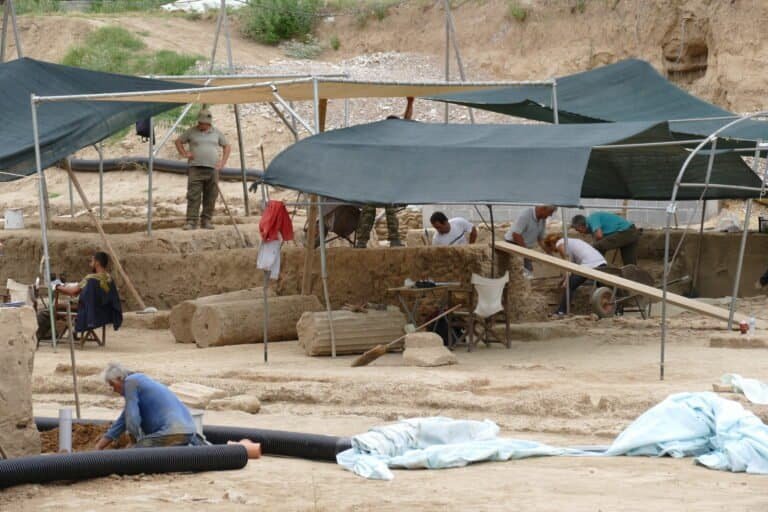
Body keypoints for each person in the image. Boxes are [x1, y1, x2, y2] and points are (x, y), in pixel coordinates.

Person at [95, 362, 204, 449]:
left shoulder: (130, 383)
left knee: (135, 455)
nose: (113, 390)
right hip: (189, 431)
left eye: (113, 385)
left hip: (172, 432)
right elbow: (123, 421)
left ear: (120, 378)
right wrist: (99, 447)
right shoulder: (140, 382)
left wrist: (134, 441)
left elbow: (132, 419)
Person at [354, 97, 415, 248]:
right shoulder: (380, 137)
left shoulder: (398, 139)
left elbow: (407, 122)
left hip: (389, 179)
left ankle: (394, 239)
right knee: (368, 211)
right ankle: (362, 241)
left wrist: (410, 103)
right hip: (376, 179)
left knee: (390, 209)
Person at [36, 251, 122, 341]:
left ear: (97, 263)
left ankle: (41, 336)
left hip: (86, 310)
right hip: (100, 310)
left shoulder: (91, 278)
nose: (90, 264)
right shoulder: (109, 279)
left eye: (92, 261)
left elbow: (72, 292)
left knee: (45, 313)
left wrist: (56, 286)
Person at [175, 109, 231, 231]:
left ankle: (206, 220)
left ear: (209, 123)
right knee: (193, 195)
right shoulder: (191, 131)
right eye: (200, 122)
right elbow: (178, 141)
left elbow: (227, 146)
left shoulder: (217, 133)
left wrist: (223, 162)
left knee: (211, 196)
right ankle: (191, 221)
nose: (202, 125)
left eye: (204, 123)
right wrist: (185, 154)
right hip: (195, 168)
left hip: (212, 169)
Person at [542, 233, 607, 316]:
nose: (553, 251)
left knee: (570, 285)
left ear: (551, 244)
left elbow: (567, 265)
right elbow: (572, 267)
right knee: (600, 286)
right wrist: (564, 278)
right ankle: (607, 310)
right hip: (601, 263)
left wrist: (566, 281)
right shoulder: (571, 241)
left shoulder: (560, 244)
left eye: (550, 248)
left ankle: (561, 311)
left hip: (590, 265)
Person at [571, 211, 641, 265]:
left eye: (578, 229)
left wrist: (590, 246)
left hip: (626, 232)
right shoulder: (592, 227)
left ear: (580, 226)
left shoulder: (592, 218)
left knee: (596, 248)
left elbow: (599, 236)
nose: (579, 232)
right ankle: (632, 281)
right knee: (630, 263)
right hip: (631, 232)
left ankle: (597, 273)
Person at [503, 205, 557, 275]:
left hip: (525, 248)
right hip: (513, 245)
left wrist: (549, 254)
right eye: (550, 212)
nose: (550, 215)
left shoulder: (542, 219)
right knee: (516, 271)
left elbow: (540, 239)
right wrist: (526, 253)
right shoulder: (526, 215)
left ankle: (526, 283)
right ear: (543, 209)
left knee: (528, 271)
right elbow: (516, 235)